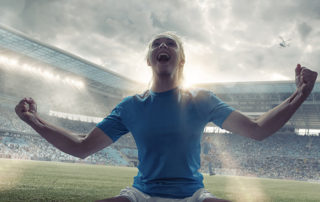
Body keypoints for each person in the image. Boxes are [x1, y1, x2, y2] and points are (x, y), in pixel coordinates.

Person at [15, 32, 318, 202]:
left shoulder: (201, 100)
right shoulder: (130, 106)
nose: (163, 46)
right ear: (149, 59)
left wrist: (301, 94)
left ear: (180, 58)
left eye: (170, 43)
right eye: (156, 44)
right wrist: (34, 121)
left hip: (193, 195)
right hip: (140, 195)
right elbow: (81, 147)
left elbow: (258, 129)